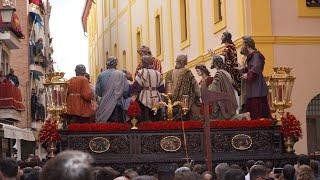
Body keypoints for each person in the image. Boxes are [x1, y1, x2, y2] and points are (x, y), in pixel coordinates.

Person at [208, 55, 250, 120]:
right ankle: (244, 115)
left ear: (215, 63)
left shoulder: (219, 74)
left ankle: (244, 115)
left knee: (223, 119)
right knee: (229, 118)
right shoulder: (226, 73)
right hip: (230, 98)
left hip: (223, 101)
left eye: (212, 61)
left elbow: (213, 88)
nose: (211, 63)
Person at [240, 36, 271, 119]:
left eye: (242, 44)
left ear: (247, 45)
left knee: (258, 113)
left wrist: (248, 75)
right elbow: (251, 68)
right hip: (251, 89)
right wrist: (243, 69)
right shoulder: (250, 57)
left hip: (257, 90)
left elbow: (256, 68)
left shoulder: (256, 56)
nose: (241, 47)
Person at [165, 54, 201, 119]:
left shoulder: (169, 73)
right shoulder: (187, 72)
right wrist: (198, 96)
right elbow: (196, 87)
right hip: (185, 103)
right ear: (183, 63)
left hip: (171, 104)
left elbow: (166, 89)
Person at [96, 57, 130, 123]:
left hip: (104, 105)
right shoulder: (121, 74)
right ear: (116, 64)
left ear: (107, 64)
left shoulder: (101, 75)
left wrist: (107, 94)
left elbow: (98, 92)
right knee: (118, 128)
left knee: (106, 128)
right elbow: (126, 91)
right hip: (118, 104)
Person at [131, 55, 164, 121]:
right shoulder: (158, 73)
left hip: (144, 99)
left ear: (144, 63)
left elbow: (136, 87)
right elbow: (161, 89)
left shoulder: (141, 72)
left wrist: (133, 99)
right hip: (157, 98)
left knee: (145, 119)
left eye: (141, 62)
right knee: (156, 119)